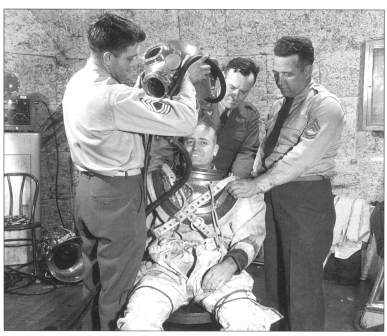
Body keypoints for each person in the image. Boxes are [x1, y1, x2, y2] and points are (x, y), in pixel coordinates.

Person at [62, 13, 210, 331]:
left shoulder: (78, 83)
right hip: (117, 198)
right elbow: (184, 121)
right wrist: (185, 78)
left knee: (94, 283)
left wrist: (153, 76)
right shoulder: (113, 96)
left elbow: (133, 105)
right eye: (128, 58)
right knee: (118, 292)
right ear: (107, 55)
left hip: (87, 193)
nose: (132, 65)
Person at [116, 118, 282, 331]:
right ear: (181, 146)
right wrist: (141, 260)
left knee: (248, 324)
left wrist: (229, 265)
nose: (195, 148)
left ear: (215, 149)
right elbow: (136, 230)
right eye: (189, 142)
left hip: (216, 266)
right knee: (136, 323)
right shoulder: (155, 184)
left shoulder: (235, 191)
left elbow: (250, 237)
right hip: (165, 268)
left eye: (203, 142)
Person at [226, 36, 345, 331]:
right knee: (276, 279)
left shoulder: (326, 106)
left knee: (302, 286)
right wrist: (252, 182)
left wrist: (256, 185)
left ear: (307, 69)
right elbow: (268, 149)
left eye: (288, 73)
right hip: (273, 195)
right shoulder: (281, 104)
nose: (280, 80)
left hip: (306, 197)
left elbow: (301, 159)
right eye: (276, 72)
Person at [208, 57, 260, 179]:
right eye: (231, 87)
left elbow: (246, 152)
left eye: (243, 92)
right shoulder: (198, 105)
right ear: (221, 78)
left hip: (223, 182)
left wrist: (235, 180)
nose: (235, 96)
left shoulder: (249, 115)